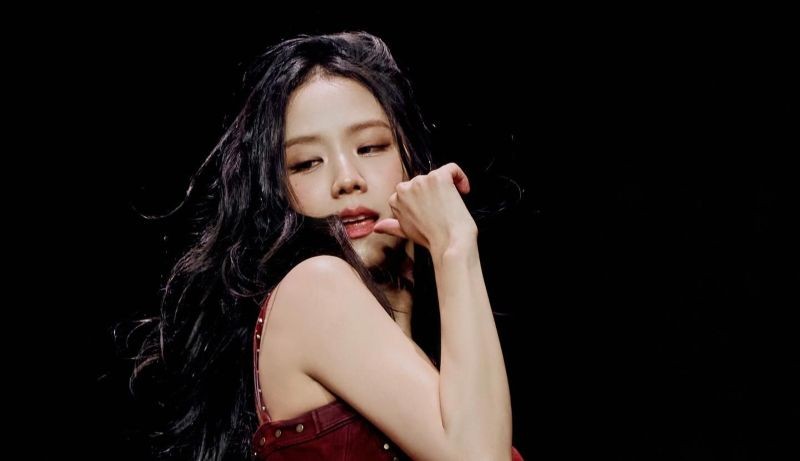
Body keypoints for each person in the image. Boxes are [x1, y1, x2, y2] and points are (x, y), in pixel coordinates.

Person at [131, 31, 524, 460]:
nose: (346, 179)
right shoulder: (314, 287)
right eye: (306, 163)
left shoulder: (439, 372)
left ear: (411, 158)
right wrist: (453, 244)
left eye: (370, 147)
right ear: (277, 192)